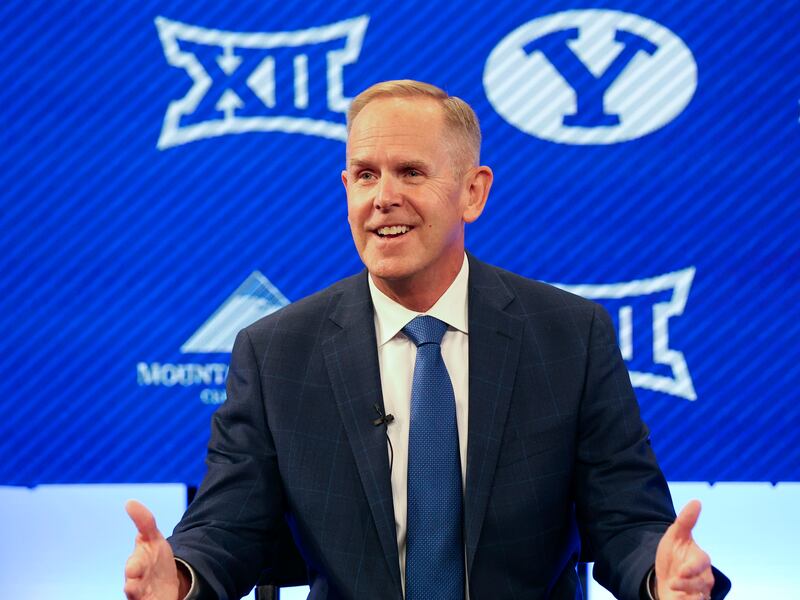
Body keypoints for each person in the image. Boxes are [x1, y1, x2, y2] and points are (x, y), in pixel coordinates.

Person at [124, 80, 730, 600]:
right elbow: (228, 524)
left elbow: (626, 519)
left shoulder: (571, 337)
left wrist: (661, 576)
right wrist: (179, 577)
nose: (384, 196)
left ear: (473, 191)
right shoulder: (276, 351)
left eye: (411, 171)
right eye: (366, 175)